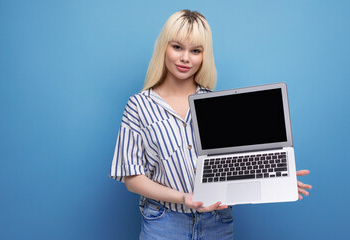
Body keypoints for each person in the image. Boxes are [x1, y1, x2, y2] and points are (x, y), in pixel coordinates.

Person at [109, 9, 312, 240]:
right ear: (164, 47)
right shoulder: (138, 105)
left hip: (217, 221)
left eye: (195, 51)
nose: (185, 58)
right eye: (177, 47)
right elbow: (133, 178)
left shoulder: (217, 105)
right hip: (164, 222)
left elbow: (234, 164)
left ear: (204, 56)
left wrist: (276, 179)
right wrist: (184, 197)